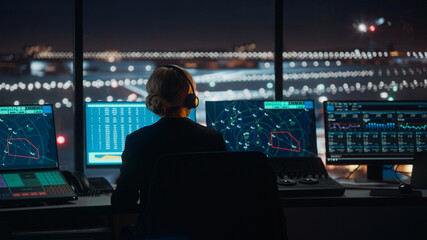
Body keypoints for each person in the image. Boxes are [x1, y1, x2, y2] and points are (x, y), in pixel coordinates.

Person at [111, 64, 227, 208]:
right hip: (202, 228)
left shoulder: (137, 140)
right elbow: (224, 193)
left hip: (156, 228)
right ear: (191, 100)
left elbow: (123, 200)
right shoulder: (212, 139)